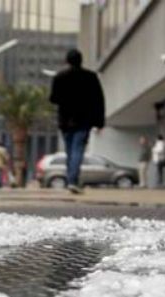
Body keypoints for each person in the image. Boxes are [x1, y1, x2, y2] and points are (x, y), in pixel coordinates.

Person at [50, 48, 105, 195]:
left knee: (70, 151)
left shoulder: (60, 77)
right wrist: (99, 122)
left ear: (67, 60)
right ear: (81, 60)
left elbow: (53, 98)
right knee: (78, 150)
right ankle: (73, 181)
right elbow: (98, 100)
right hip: (83, 120)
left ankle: (72, 180)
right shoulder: (90, 77)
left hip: (65, 120)